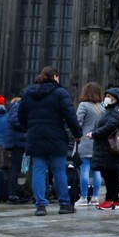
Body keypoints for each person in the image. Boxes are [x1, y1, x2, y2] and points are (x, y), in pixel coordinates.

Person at [18, 67, 82, 216]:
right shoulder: (60, 93)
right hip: (56, 136)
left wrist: (30, 128)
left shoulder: (28, 93)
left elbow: (20, 117)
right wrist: (77, 133)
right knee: (59, 171)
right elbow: (70, 115)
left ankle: (40, 205)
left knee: (39, 171)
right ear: (54, 77)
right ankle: (64, 204)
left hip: (35, 137)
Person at [88, 87, 119, 210]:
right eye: (107, 96)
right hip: (104, 147)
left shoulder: (118, 110)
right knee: (109, 174)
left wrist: (94, 134)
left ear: (117, 98)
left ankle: (110, 200)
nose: (107, 98)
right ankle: (115, 200)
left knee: (111, 175)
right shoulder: (107, 110)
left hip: (111, 147)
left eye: (111, 97)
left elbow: (110, 126)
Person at [76, 82, 105, 205]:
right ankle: (95, 197)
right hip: (98, 142)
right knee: (97, 171)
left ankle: (83, 197)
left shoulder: (83, 105)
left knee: (84, 170)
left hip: (85, 141)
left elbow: (78, 122)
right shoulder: (103, 107)